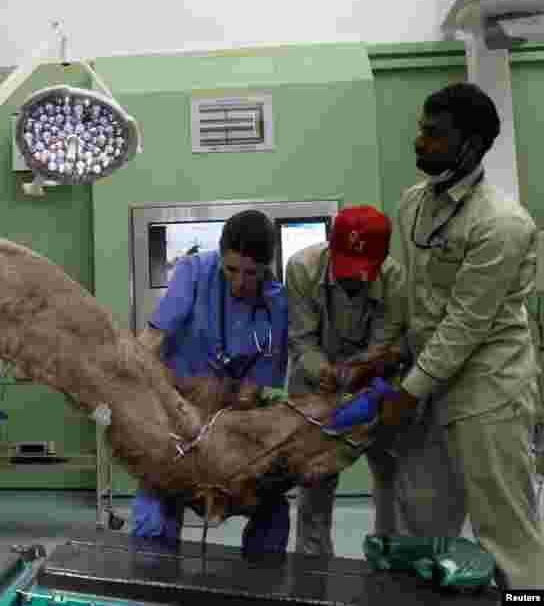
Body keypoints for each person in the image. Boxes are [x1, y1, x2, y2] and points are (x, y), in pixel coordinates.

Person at [380, 82, 544, 589]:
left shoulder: (503, 224)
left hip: (489, 391)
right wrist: (391, 355)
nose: (419, 142)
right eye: (421, 129)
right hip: (431, 384)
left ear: (470, 145)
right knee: (424, 525)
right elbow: (417, 297)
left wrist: (408, 393)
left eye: (434, 134)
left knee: (506, 534)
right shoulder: (412, 205)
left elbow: (466, 323)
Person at [134, 210, 291, 558]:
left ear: (267, 267)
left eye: (251, 273)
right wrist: (133, 381)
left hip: (232, 422)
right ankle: (149, 580)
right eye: (231, 269)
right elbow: (152, 339)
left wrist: (222, 438)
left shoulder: (277, 304)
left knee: (274, 511)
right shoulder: (194, 272)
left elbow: (255, 388)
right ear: (220, 256)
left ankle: (261, 585)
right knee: (155, 505)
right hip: (177, 415)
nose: (239, 282)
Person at [284, 205, 407, 556]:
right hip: (313, 387)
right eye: (346, 269)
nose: (354, 279)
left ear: (382, 259)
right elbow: (301, 340)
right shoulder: (302, 268)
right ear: (330, 247)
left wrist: (357, 373)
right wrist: (322, 371)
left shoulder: (396, 281)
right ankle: (312, 568)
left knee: (390, 474)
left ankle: (389, 557)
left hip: (374, 385)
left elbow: (382, 345)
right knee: (315, 482)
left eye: (364, 270)